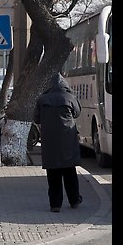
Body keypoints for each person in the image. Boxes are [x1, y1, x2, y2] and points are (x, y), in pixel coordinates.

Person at [33, 73, 83, 213]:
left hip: (50, 142)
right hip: (67, 139)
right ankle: (74, 200)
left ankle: (55, 204)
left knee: (53, 173)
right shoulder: (70, 97)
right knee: (70, 171)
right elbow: (77, 113)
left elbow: (36, 119)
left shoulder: (42, 99)